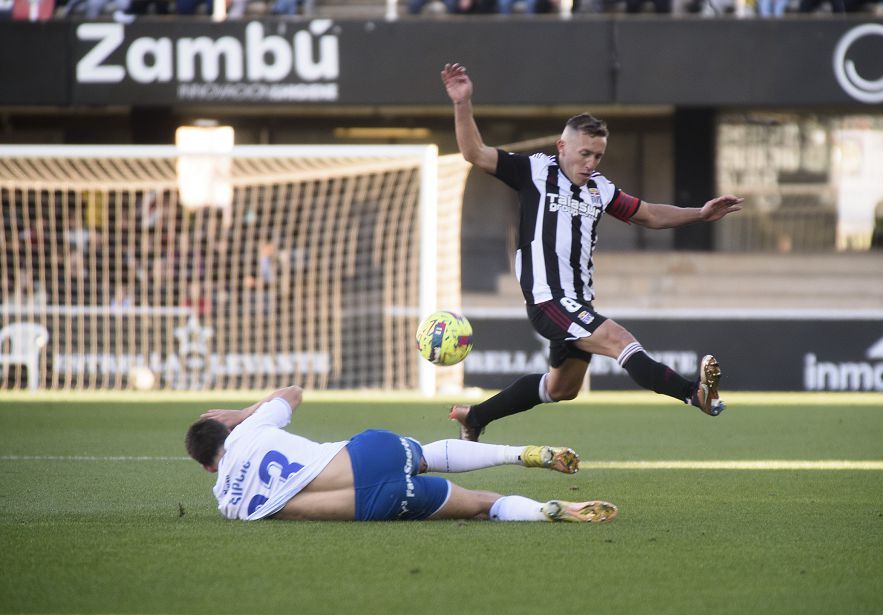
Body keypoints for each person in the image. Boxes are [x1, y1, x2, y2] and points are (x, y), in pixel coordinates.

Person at [440, 63, 743, 442]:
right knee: (619, 339)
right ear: (562, 146)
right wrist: (463, 102)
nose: (591, 163)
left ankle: (475, 417)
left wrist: (699, 213)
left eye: (598, 156)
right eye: (585, 154)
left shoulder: (601, 189)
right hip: (549, 299)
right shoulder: (533, 172)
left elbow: (648, 214)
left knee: (561, 388)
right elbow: (474, 153)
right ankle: (691, 392)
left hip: (577, 300)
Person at [185, 385, 618, 523]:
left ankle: (546, 510)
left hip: (372, 503)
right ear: (229, 430)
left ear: (208, 467)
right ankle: (520, 453)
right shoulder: (252, 427)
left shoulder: (229, 504)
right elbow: (292, 393)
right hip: (367, 453)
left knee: (485, 505)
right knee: (425, 455)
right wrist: (242, 413)